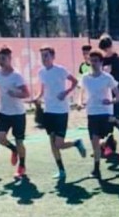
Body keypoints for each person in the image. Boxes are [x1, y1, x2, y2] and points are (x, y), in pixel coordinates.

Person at [35, 47, 86, 183]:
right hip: (48, 111)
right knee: (52, 143)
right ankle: (61, 170)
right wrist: (37, 98)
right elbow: (42, 90)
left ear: (53, 57)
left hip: (61, 111)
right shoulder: (41, 72)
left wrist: (66, 92)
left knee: (59, 143)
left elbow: (75, 82)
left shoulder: (60, 70)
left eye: (46, 55)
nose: (44, 58)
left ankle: (76, 143)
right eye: (42, 56)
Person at [80, 49, 119, 181]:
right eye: (91, 60)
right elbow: (81, 94)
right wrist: (80, 103)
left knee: (102, 136)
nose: (93, 63)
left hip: (105, 112)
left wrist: (111, 101)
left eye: (96, 61)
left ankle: (109, 141)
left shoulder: (107, 78)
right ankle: (96, 169)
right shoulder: (85, 78)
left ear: (101, 62)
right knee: (94, 141)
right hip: (92, 112)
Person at [0, 46, 31, 178]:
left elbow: (26, 93)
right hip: (4, 112)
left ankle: (22, 166)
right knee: (0, 138)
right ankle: (13, 149)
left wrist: (15, 93)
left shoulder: (16, 76)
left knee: (19, 141)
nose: (1, 61)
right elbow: (2, 90)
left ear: (10, 58)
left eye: (3, 58)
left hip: (18, 114)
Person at [98, 34, 119, 161]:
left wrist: (112, 73)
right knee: (108, 123)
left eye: (107, 48)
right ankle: (109, 145)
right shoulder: (102, 60)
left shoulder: (118, 59)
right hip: (106, 98)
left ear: (111, 46)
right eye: (103, 49)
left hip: (118, 97)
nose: (106, 51)